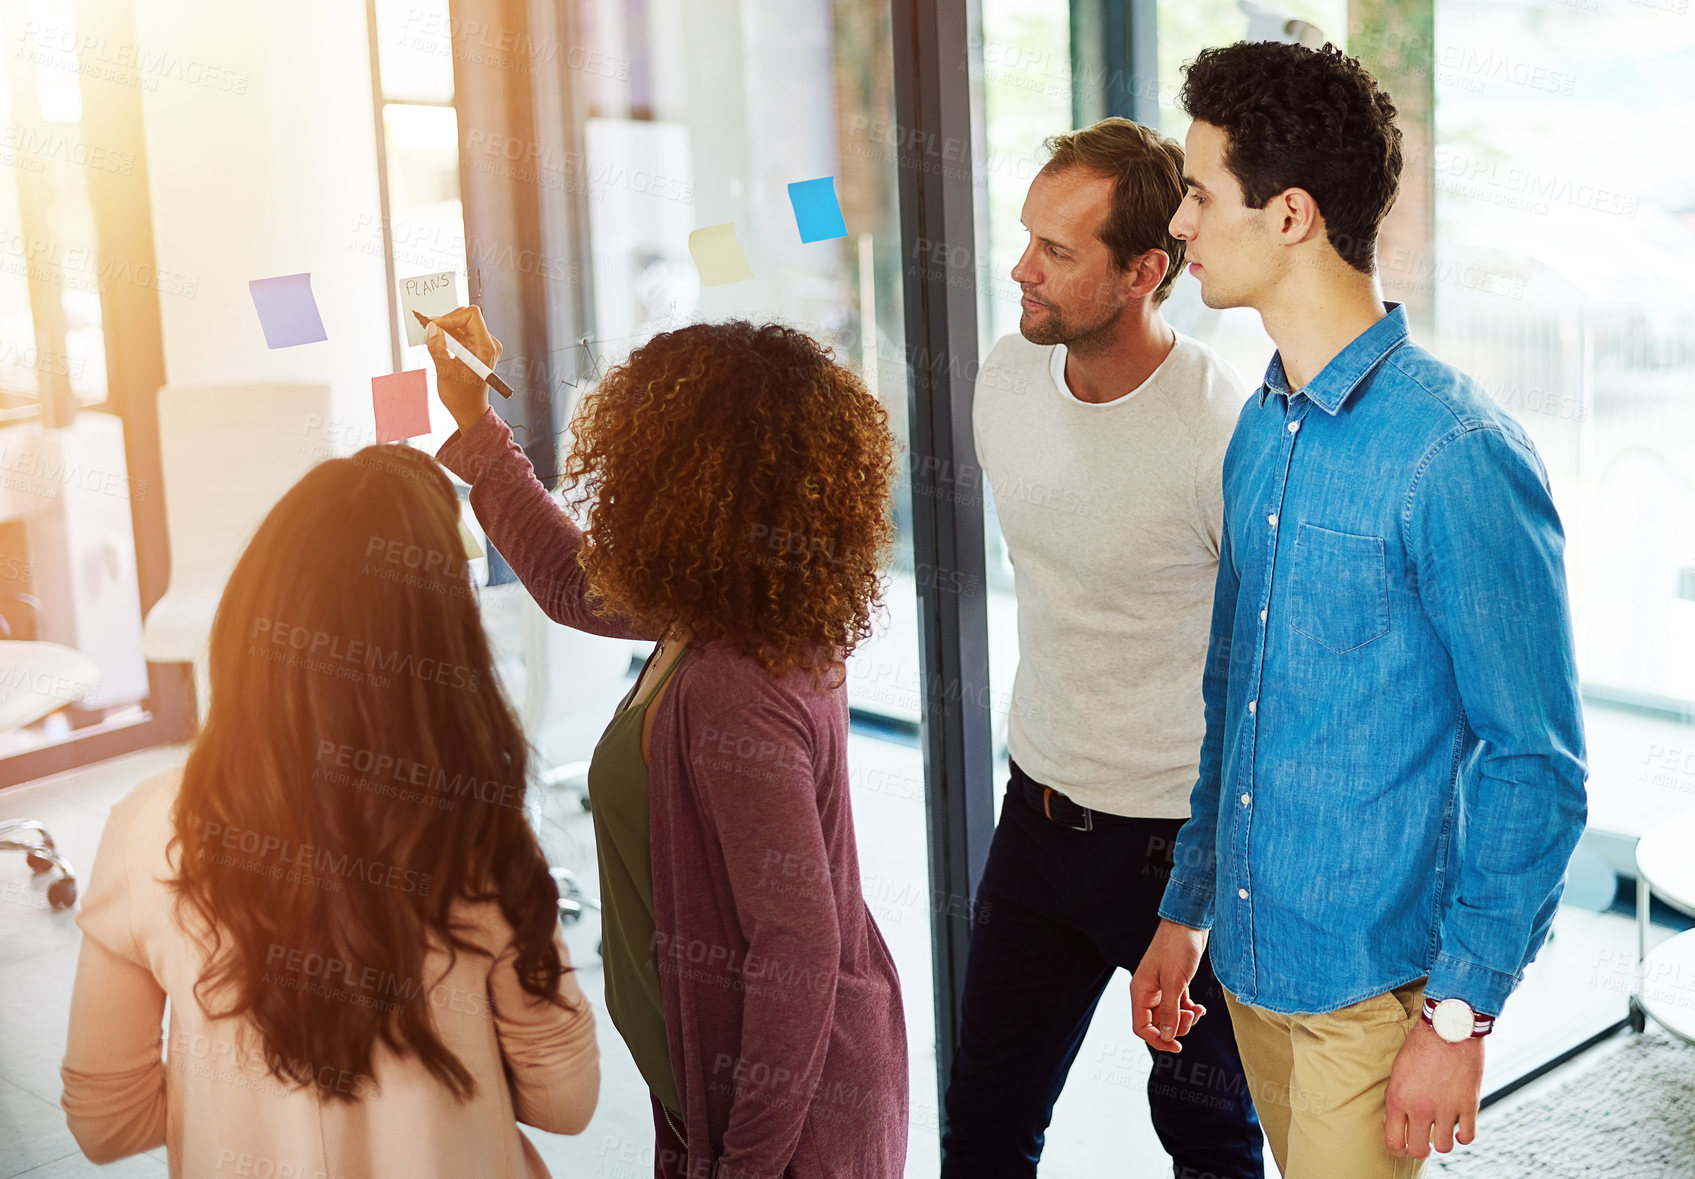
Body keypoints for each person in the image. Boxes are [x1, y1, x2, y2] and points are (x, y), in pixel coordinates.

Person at [1130, 41, 1587, 1179]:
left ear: (1289, 216)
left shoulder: (1456, 453)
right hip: (1247, 965)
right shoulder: (1259, 425)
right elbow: (1233, 699)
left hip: (1369, 1001)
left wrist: (1460, 1016)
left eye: (1197, 193)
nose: (1179, 225)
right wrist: (1187, 908)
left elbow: (1537, 763)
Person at [424, 310, 909, 1178]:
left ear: (679, 479)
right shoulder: (735, 600)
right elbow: (574, 581)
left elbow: (796, 949)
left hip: (782, 1124)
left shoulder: (735, 680)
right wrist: (473, 418)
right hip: (729, 1091)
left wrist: (745, 1164)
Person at [60, 443, 599, 1176]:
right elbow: (567, 1103)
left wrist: (244, 1115)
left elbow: (106, 1121)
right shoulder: (477, 832)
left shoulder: (147, 827)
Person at [940, 117, 1262, 1178]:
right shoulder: (1005, 376)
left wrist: (1202, 900)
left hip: (1175, 847)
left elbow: (1271, 677)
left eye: (1058, 253)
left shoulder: (1224, 430)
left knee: (1211, 1142)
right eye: (1027, 238)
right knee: (983, 1131)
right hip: (1035, 820)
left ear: (1144, 271)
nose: (1020, 270)